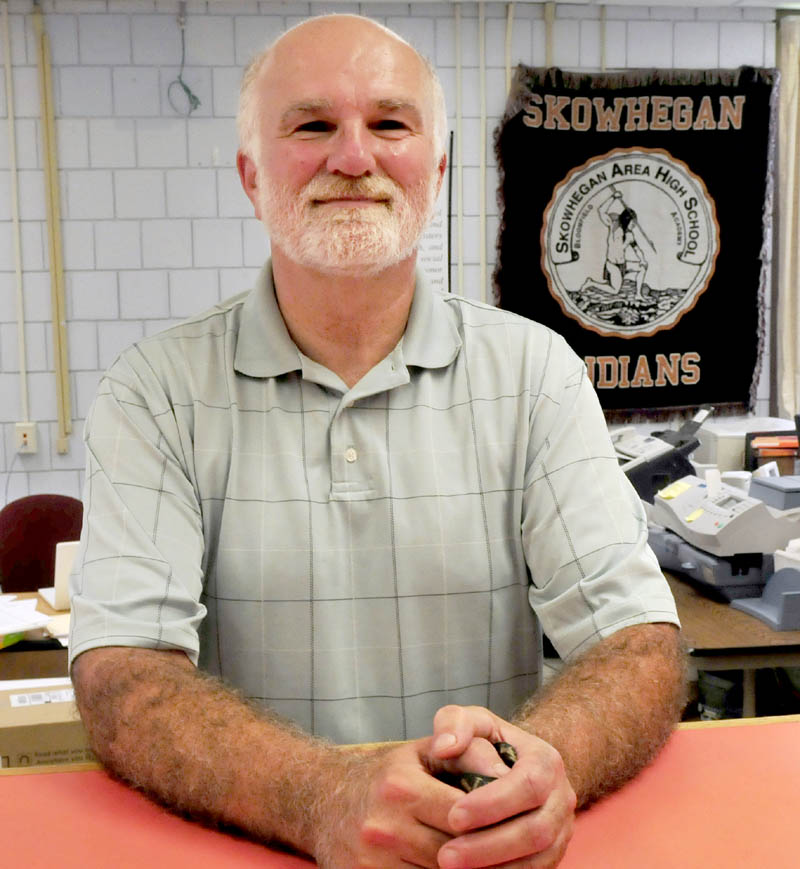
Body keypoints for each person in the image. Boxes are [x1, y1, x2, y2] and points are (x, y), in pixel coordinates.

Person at [69, 14, 686, 869]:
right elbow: (122, 675)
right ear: (251, 175)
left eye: (390, 124)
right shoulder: (155, 394)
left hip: (487, 852)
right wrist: (322, 796)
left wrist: (539, 772)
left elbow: (638, 641)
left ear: (436, 169)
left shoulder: (537, 374)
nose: (353, 157)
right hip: (256, 846)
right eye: (312, 124)